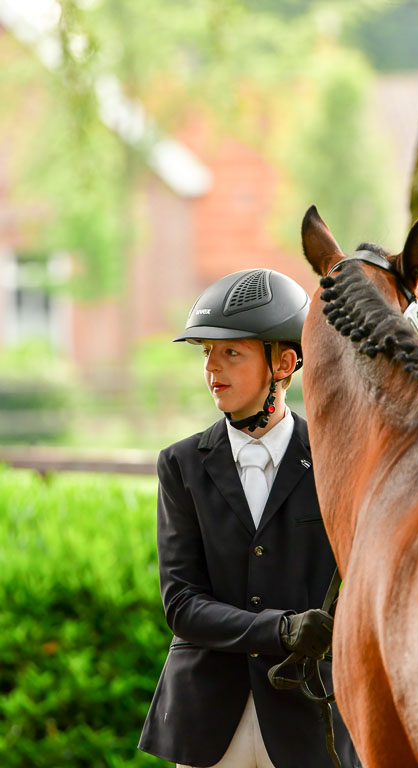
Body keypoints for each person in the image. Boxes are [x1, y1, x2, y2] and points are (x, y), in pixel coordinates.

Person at [138, 268, 360, 768]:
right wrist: (280, 630)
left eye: (231, 352)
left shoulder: (337, 458)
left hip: (311, 715)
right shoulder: (181, 465)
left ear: (284, 363)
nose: (211, 367)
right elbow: (182, 604)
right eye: (206, 352)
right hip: (208, 721)